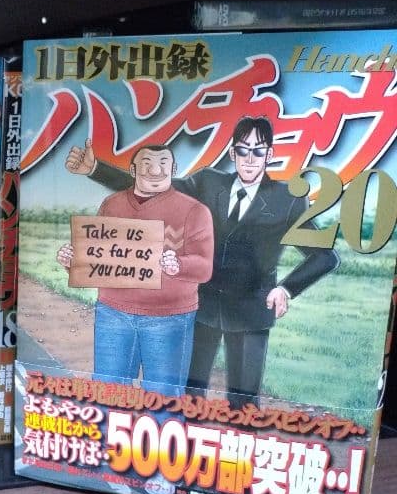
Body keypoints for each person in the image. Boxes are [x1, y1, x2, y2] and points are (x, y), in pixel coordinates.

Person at [66, 116, 340, 404]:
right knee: (187, 398)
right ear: (233, 153)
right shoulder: (208, 182)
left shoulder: (287, 198)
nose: (250, 159)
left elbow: (325, 256)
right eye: (243, 150)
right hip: (202, 309)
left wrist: (286, 289)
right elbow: (153, 184)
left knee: (244, 405)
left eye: (258, 151)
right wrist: (95, 170)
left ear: (269, 155)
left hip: (251, 310)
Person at [58, 144, 214, 396]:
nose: (155, 170)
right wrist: (72, 262)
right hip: (112, 313)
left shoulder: (195, 211)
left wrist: (179, 264)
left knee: (163, 398)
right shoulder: (112, 204)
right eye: (146, 163)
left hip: (169, 317)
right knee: (107, 392)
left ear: (174, 169)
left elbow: (205, 268)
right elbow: (97, 260)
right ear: (132, 170)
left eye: (163, 163)